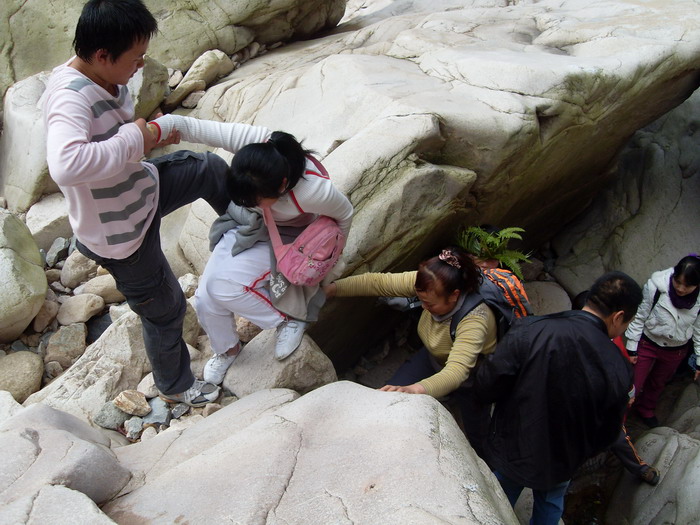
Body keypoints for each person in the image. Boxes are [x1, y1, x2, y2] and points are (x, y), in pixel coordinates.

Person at [42, 0, 255, 406]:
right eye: (136, 58)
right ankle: (175, 386)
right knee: (166, 309)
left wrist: (147, 133)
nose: (142, 64)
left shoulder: (103, 73)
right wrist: (136, 138)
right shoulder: (69, 98)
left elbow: (118, 137)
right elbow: (66, 166)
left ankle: (249, 229)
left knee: (207, 168)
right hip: (119, 232)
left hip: (141, 189)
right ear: (102, 55)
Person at [147, 114, 353, 384]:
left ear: (282, 185)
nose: (250, 201)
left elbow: (345, 216)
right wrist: (150, 132)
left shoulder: (312, 192)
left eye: (256, 199)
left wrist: (327, 264)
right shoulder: (256, 148)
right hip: (249, 224)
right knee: (205, 295)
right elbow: (191, 127)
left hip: (292, 237)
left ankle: (288, 318)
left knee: (225, 287)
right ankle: (227, 349)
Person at [474, 272, 642, 525]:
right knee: (551, 505)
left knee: (498, 499)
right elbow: (608, 431)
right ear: (619, 317)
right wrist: (580, 452)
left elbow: (487, 384)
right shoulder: (619, 367)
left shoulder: (532, 328)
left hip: (514, 443)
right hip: (563, 457)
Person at [324, 246, 497, 458]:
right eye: (420, 299)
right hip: (433, 356)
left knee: (478, 433)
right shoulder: (429, 282)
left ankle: (489, 463)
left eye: (429, 303)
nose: (423, 307)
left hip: (473, 376)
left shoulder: (475, 319)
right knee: (388, 398)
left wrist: (415, 390)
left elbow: (457, 371)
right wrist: (332, 290)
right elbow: (377, 283)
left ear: (454, 296)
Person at [572, 291, 660, 486]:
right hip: (579, 405)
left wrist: (628, 392)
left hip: (605, 404)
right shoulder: (571, 342)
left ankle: (640, 468)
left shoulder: (612, 338)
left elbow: (622, 366)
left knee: (619, 439)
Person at [625, 255, 700, 428]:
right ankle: (620, 417)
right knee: (633, 383)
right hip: (648, 343)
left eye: (687, 285)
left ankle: (646, 409)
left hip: (676, 350)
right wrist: (631, 348)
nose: (680, 288)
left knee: (658, 383)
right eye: (677, 282)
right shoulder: (656, 287)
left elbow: (698, 330)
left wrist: (699, 361)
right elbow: (640, 316)